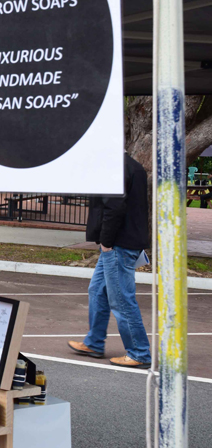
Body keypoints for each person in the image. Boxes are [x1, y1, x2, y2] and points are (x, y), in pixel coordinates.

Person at [69, 153, 152, 369]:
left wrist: (105, 241)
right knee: (97, 291)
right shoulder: (133, 166)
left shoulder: (115, 168)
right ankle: (94, 343)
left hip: (117, 244)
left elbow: (114, 207)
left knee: (121, 300)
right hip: (123, 242)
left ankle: (139, 352)